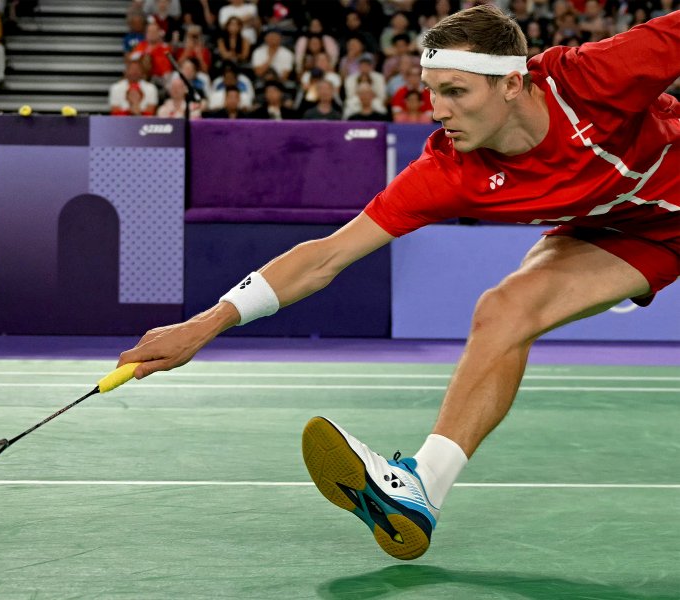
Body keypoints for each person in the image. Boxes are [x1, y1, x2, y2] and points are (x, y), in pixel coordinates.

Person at [116, 5, 680, 562]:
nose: (436, 109)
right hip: (629, 231)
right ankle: (422, 490)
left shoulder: (591, 77)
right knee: (505, 309)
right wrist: (205, 324)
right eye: (430, 89)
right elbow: (326, 256)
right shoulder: (450, 169)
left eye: (455, 91)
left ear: (512, 83)